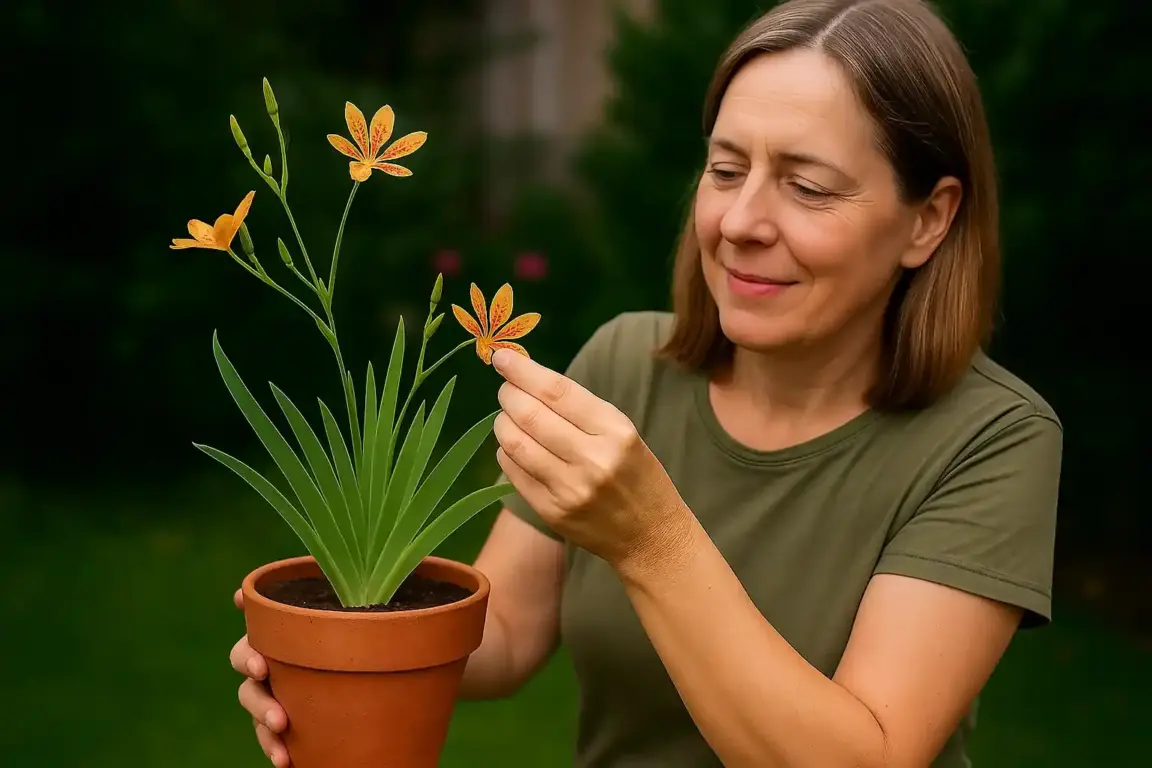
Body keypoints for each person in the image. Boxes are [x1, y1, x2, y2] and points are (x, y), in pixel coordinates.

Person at [230, 0, 1062, 765]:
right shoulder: (627, 365)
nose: (740, 224)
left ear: (929, 219)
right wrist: (329, 647)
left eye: (807, 187)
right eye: (727, 170)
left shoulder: (992, 439)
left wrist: (651, 538)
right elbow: (511, 632)